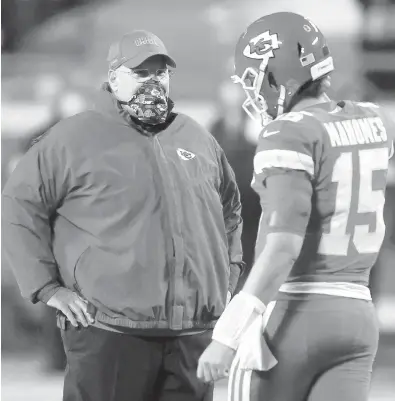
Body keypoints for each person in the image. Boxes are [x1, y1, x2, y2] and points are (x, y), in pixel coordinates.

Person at [2, 30, 244, 401]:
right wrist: (47, 287)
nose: (153, 82)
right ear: (113, 78)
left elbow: (230, 210)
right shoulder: (73, 138)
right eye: (140, 72)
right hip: (109, 333)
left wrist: (226, 278)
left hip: (190, 336)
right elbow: (18, 206)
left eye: (160, 73)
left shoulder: (196, 137)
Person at [197, 12, 394, 401]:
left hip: (295, 313)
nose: (252, 94)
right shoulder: (376, 120)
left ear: (276, 75)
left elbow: (284, 246)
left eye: (253, 79)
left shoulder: (287, 132)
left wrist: (227, 332)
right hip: (357, 317)